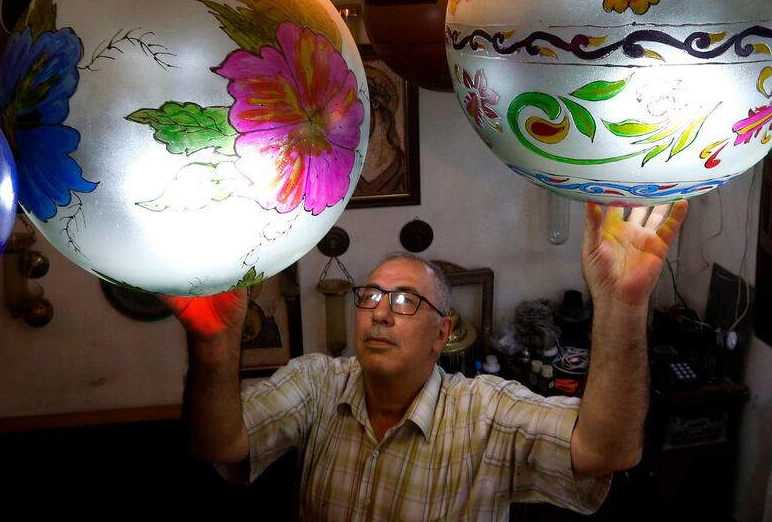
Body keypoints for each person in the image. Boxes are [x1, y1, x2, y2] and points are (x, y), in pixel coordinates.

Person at [164, 201, 688, 520]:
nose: (380, 314)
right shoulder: (317, 382)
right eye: (370, 297)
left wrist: (621, 307)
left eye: (404, 301)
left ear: (442, 333)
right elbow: (218, 443)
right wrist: (214, 344)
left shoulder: (485, 412)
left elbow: (606, 450)